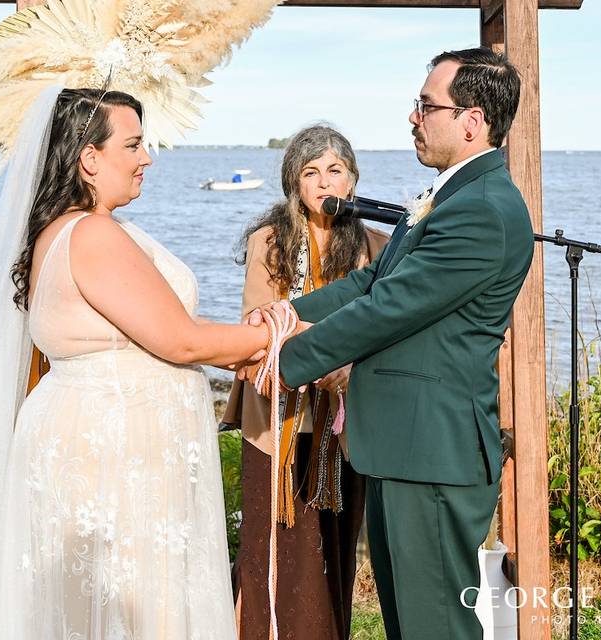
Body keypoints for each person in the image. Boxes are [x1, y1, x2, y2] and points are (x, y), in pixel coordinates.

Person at [0, 87, 268, 640]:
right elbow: (182, 342)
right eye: (134, 144)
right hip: (114, 447)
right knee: (128, 604)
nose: (147, 158)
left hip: (103, 435)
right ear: (90, 159)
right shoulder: (92, 234)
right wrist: (279, 336)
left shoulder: (69, 229)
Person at [244, 47, 533, 639]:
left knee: (435, 627)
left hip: (433, 448)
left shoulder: (482, 210)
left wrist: (290, 359)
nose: (413, 118)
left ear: (471, 121)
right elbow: (372, 282)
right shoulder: (448, 196)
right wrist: (284, 315)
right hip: (404, 445)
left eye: (426, 106)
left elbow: (389, 310)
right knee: (408, 623)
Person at [223, 125, 389, 640]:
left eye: (334, 170)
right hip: (279, 419)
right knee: (276, 547)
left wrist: (343, 355)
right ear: (294, 184)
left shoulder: (378, 243)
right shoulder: (270, 240)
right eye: (310, 172)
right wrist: (335, 342)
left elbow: (385, 322)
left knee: (332, 546)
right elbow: (261, 319)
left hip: (343, 418)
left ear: (353, 179)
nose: (323, 183)